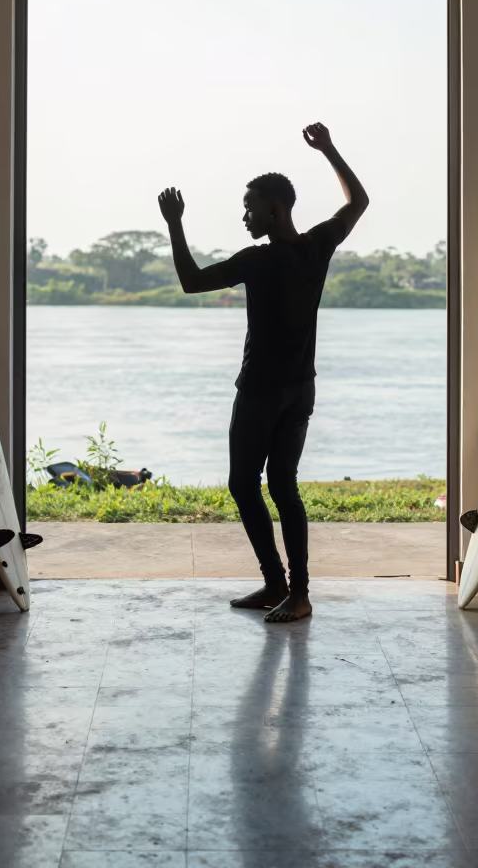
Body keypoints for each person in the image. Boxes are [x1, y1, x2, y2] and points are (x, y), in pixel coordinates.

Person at [158, 123, 369, 623]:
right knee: (283, 485)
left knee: (245, 483)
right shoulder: (316, 246)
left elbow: (190, 282)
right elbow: (357, 202)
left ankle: (286, 587)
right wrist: (330, 151)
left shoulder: (258, 259)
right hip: (301, 389)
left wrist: (174, 223)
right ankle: (290, 591)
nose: (246, 216)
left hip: (260, 391)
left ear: (274, 209)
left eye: (251, 207)